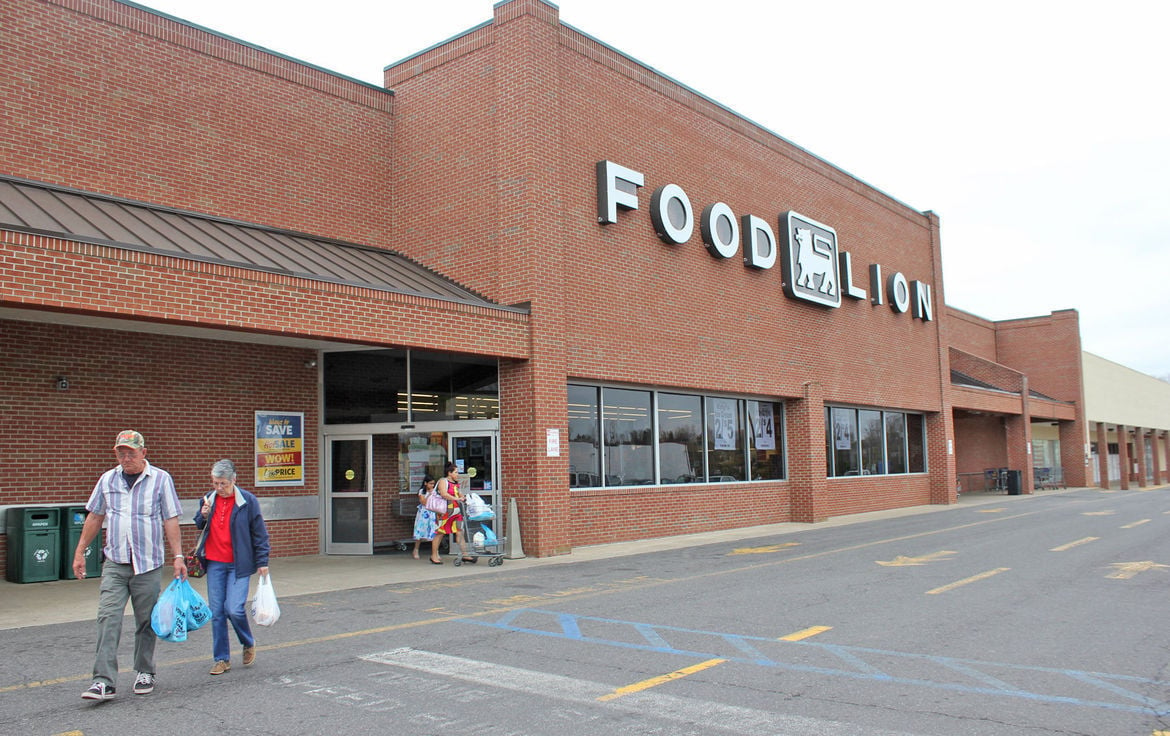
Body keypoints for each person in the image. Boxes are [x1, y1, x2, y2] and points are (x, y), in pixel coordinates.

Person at [73, 430, 186, 701]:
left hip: (147, 564)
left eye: (131, 452)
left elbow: (170, 519)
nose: (125, 457)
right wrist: (80, 552)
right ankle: (103, 681)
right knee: (107, 617)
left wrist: (178, 556)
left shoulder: (160, 479)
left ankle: (145, 670)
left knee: (145, 621)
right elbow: (95, 517)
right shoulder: (107, 480)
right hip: (115, 561)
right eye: (121, 452)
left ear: (143, 453)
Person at [192, 459, 270, 676]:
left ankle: (247, 641)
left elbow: (260, 533)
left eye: (223, 483)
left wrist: (263, 561)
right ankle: (221, 659)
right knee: (217, 612)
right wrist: (204, 514)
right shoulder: (209, 499)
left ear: (234, 480)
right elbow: (199, 523)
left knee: (234, 609)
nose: (219, 488)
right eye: (215, 483)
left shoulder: (247, 501)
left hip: (238, 564)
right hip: (215, 563)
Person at [430, 462, 474, 565]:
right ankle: (434, 555)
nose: (457, 474)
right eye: (456, 472)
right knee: (440, 532)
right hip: (445, 511)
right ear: (449, 473)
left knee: (460, 531)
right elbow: (444, 494)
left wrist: (463, 498)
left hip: (457, 511)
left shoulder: (456, 483)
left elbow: (459, 493)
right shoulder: (443, 481)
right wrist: (456, 498)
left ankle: (465, 554)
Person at [411, 476, 438, 560]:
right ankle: (416, 549)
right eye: (430, 483)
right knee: (421, 530)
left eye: (433, 484)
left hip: (433, 512)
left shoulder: (436, 492)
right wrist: (429, 495)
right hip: (424, 513)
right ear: (425, 483)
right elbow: (424, 502)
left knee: (434, 531)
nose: (432, 486)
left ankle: (435, 552)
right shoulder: (422, 492)